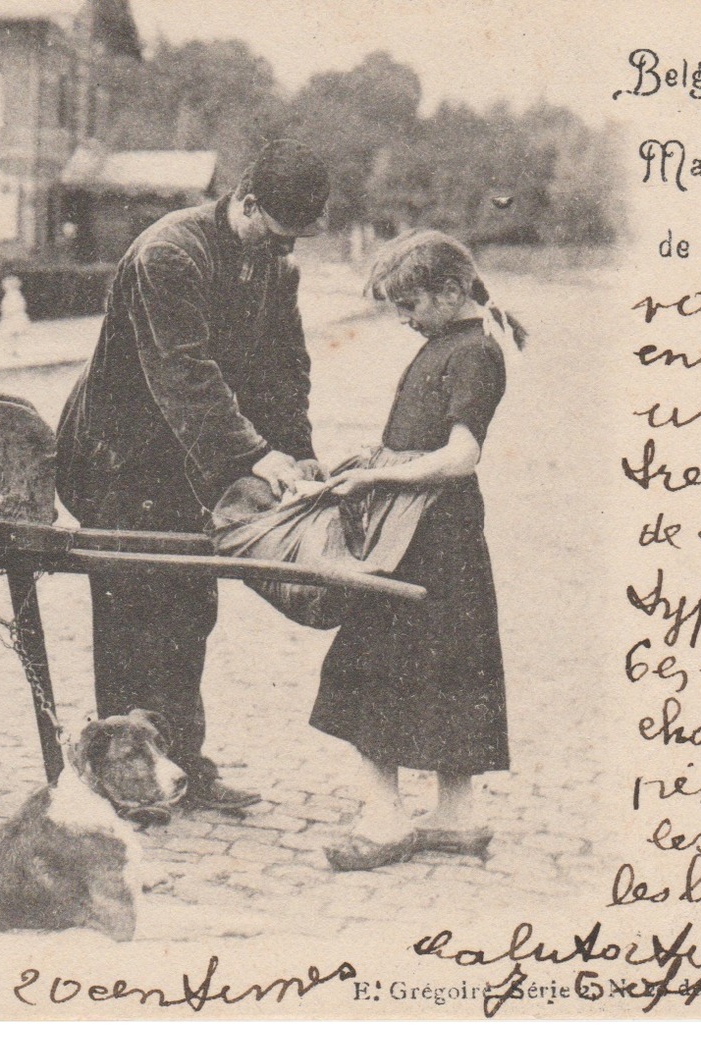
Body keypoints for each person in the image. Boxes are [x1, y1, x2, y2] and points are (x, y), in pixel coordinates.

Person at [55, 139, 332, 814]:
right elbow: (184, 376)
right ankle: (122, 781)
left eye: (289, 241)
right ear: (244, 201)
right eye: (271, 231)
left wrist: (296, 454)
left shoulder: (274, 265)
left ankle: (183, 768)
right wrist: (250, 457)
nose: (278, 249)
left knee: (188, 613)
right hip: (115, 457)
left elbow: (281, 371)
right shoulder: (168, 255)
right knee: (129, 614)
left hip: (188, 465)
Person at [311, 229, 526, 870]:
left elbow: (462, 454)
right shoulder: (451, 343)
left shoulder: (473, 354)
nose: (404, 320)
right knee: (452, 666)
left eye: (411, 305)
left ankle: (384, 821)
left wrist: (378, 476)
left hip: (427, 537)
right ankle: (457, 817)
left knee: (369, 664)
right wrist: (371, 461)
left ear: (451, 289)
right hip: (437, 535)